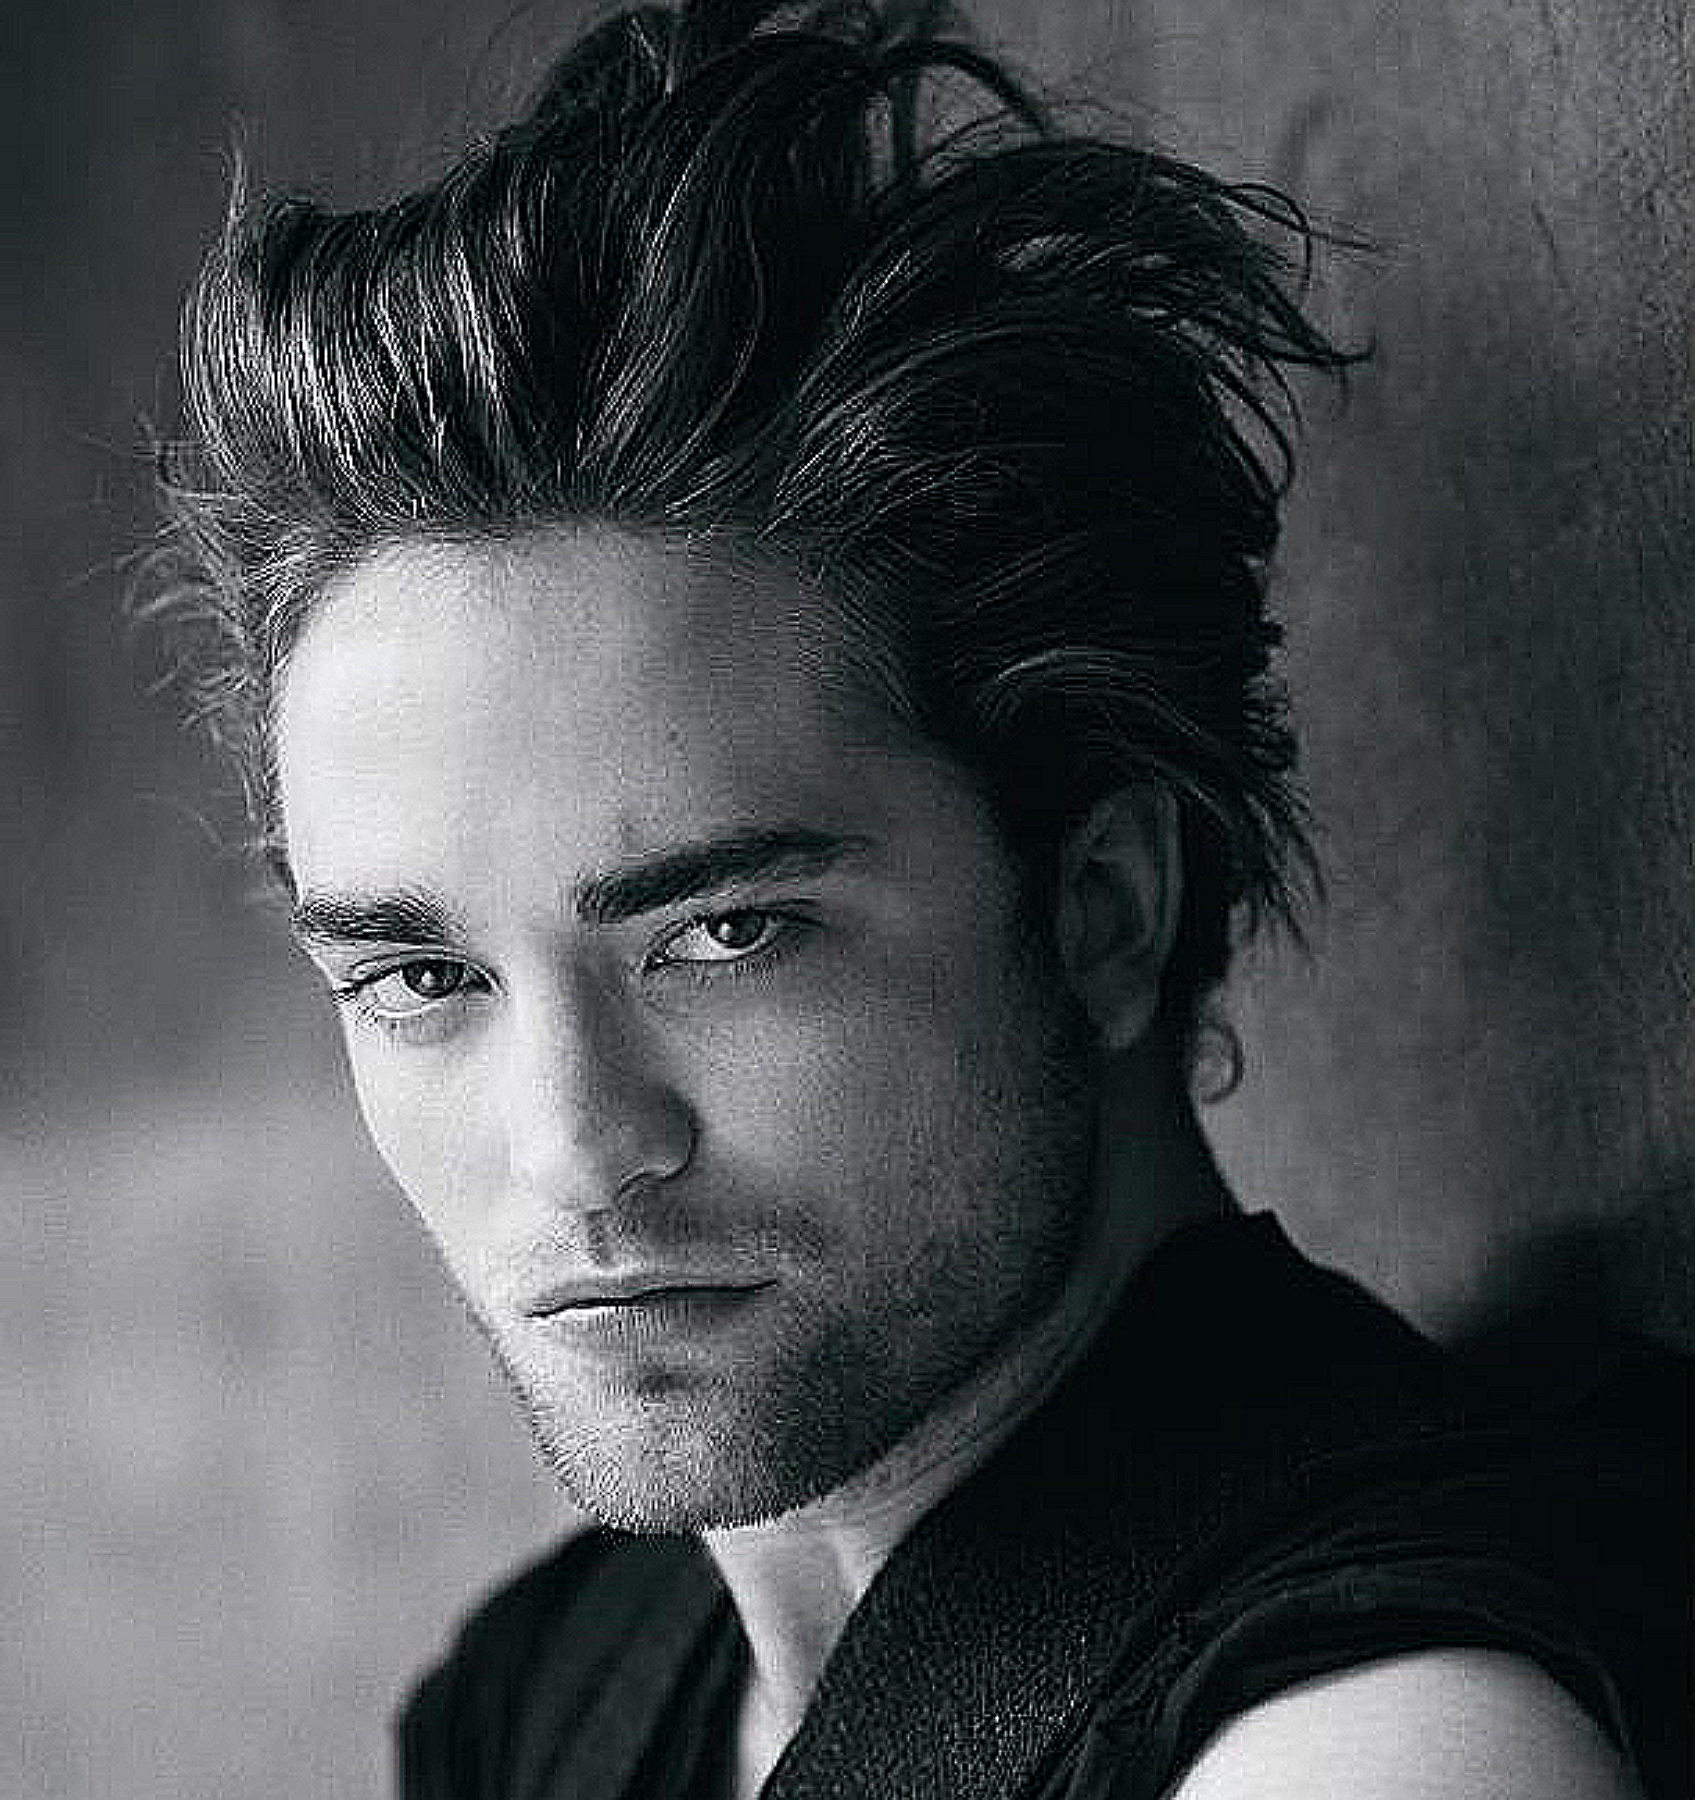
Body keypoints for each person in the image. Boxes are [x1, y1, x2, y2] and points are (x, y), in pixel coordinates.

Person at [148, 4, 1685, 1796]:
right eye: (422, 976)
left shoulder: (1379, 1735)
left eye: (721, 933)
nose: (573, 1150)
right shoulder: (540, 1690)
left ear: (1100, 908)